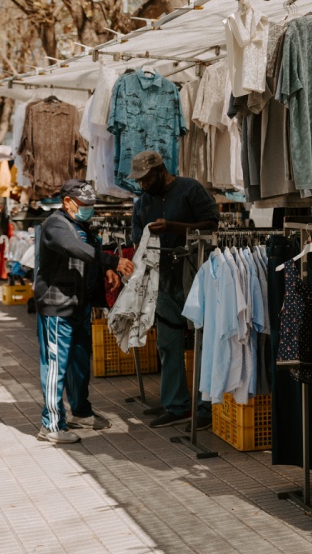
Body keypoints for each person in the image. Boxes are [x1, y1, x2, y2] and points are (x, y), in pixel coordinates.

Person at [35, 180, 134, 444]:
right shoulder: (55, 224)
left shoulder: (81, 225)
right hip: (58, 306)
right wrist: (113, 260)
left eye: (92, 206)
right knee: (56, 365)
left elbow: (88, 255)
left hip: (80, 304)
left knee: (79, 365)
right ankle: (52, 425)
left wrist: (106, 270)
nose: (89, 210)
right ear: (68, 202)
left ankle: (80, 412)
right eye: (85, 205)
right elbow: (75, 249)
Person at [128, 150, 219, 429]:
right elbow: (136, 239)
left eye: (146, 179)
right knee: (168, 342)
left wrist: (173, 227)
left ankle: (206, 407)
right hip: (162, 279)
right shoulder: (142, 202)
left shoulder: (190, 188)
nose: (142, 185)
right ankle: (176, 405)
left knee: (203, 340)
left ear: (160, 171)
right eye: (139, 181)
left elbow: (212, 223)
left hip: (195, 274)